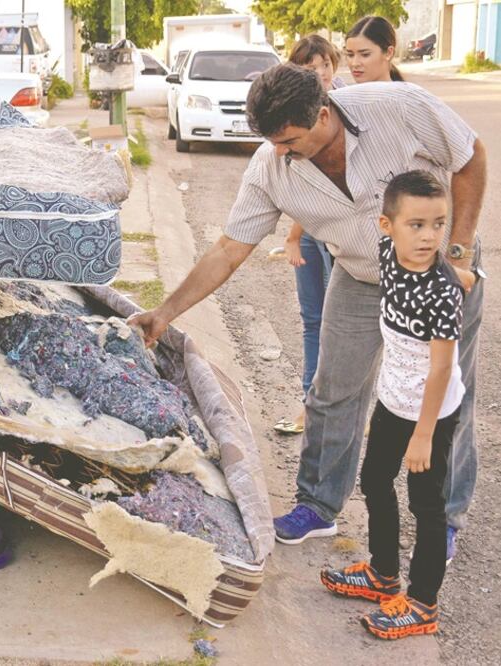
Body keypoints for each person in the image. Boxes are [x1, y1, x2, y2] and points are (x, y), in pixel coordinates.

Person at [128, 64, 487, 558]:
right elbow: (230, 248)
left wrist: (459, 255)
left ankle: (443, 520)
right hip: (360, 274)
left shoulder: (399, 107)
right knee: (331, 391)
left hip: (439, 270)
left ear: (322, 115)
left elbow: (469, 158)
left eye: (289, 141)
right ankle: (317, 505)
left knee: (445, 396)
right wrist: (166, 311)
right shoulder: (269, 165)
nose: (279, 152)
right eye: (272, 142)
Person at [320, 171, 479, 639]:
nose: (429, 236)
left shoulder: (440, 293)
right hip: (393, 399)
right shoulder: (388, 254)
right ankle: (383, 574)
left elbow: (442, 370)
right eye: (417, 224)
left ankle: (423, 605)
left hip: (430, 412)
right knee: (373, 480)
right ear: (387, 226)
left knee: (426, 505)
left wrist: (425, 434)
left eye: (438, 224)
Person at [274, 35, 344, 435]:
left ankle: (341, 409)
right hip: (312, 231)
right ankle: (310, 407)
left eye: (325, 66)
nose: (319, 74)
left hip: (341, 237)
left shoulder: (345, 108)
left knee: (345, 324)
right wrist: (295, 235)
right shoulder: (293, 115)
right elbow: (302, 187)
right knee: (314, 320)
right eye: (308, 67)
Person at [345, 15, 403, 84]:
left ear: (389, 53)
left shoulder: (410, 93)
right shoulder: (340, 93)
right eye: (350, 55)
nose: (355, 63)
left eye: (365, 55)